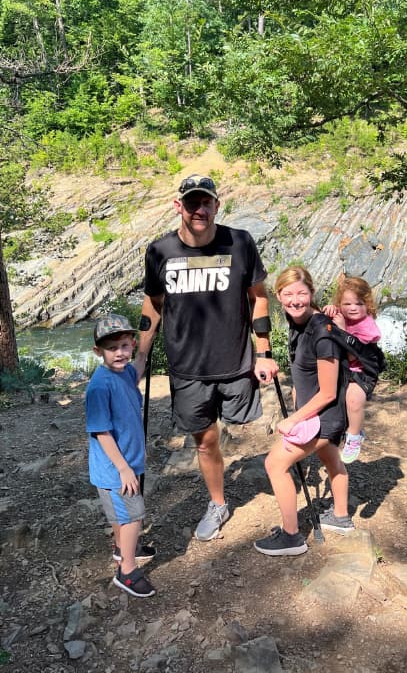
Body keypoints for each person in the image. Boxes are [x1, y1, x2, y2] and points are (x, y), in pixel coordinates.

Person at [135, 174, 279, 542]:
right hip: (188, 368)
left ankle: (281, 480)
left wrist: (264, 352)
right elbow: (153, 304)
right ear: (178, 205)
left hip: (236, 362)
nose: (200, 209)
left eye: (207, 202)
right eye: (192, 202)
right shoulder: (159, 252)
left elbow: (258, 297)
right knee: (205, 441)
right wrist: (139, 358)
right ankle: (218, 503)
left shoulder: (240, 243)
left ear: (217, 205)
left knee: (249, 428)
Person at [254, 266, 353, 557]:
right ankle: (341, 517)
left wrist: (293, 418)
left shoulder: (322, 333)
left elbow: (328, 392)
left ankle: (291, 537)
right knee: (329, 456)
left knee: (275, 464)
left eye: (301, 293)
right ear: (278, 296)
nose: (295, 300)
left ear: (311, 293)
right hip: (317, 414)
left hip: (326, 416)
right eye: (288, 294)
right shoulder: (297, 322)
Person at [85, 313, 156, 598]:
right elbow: (101, 432)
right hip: (116, 468)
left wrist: (147, 341)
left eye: (125, 346)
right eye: (112, 348)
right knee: (133, 517)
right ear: (98, 351)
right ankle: (126, 571)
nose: (120, 353)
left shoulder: (125, 371)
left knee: (122, 515)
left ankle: (122, 547)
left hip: (129, 461)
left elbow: (138, 366)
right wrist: (123, 469)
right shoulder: (99, 386)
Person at [323, 276, 381, 463]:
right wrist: (329, 311)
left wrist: (341, 331)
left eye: (359, 303)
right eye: (346, 303)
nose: (353, 308)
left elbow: (353, 355)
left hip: (361, 372)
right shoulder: (341, 315)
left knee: (354, 399)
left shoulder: (368, 328)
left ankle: (355, 435)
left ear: (368, 305)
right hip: (342, 369)